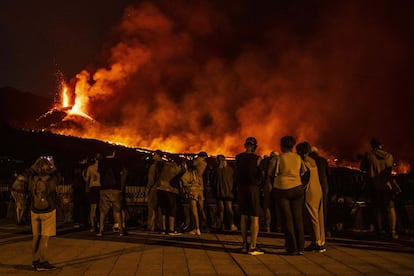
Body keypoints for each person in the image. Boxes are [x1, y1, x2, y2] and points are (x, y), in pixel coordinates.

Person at [270, 136, 307, 255]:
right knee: (298, 218)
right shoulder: (298, 157)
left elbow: (270, 172)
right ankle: (301, 247)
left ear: (282, 146)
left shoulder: (278, 158)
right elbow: (304, 172)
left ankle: (291, 248)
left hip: (282, 189)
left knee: (287, 219)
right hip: (297, 189)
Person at [27, 155, 61, 271]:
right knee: (44, 239)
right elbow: (57, 175)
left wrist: (37, 162)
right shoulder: (51, 179)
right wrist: (52, 165)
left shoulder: (32, 178)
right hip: (48, 210)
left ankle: (35, 261)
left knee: (35, 237)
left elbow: (30, 171)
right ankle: (43, 262)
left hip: (34, 210)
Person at [360, 138, 398, 239]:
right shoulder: (389, 156)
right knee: (390, 208)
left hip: (374, 186)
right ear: (381, 145)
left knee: (377, 209)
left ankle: (379, 231)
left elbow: (362, 168)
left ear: (373, 145)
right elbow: (389, 171)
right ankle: (392, 231)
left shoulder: (368, 155)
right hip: (387, 186)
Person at [235, 137, 264, 255]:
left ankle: (244, 244)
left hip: (241, 188)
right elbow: (261, 175)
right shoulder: (257, 159)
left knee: (243, 216)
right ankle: (253, 246)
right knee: (254, 217)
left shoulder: (238, 157)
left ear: (245, 145)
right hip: (253, 188)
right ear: (255, 147)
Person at [297, 142, 326, 253]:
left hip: (310, 190)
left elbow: (304, 176)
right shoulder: (312, 160)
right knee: (319, 216)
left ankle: (317, 243)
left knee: (312, 217)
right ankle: (320, 241)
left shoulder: (304, 161)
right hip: (317, 189)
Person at [96, 151, 125, 237]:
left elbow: (99, 174)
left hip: (104, 189)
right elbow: (122, 173)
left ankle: (101, 230)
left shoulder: (102, 162)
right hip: (115, 189)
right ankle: (121, 230)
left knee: (103, 211)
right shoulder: (118, 162)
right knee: (117, 210)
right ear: (114, 152)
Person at [181, 152, 209, 236]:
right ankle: (206, 226)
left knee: (194, 210)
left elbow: (184, 179)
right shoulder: (204, 165)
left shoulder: (194, 167)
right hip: (200, 188)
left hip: (193, 189)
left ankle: (196, 228)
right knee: (201, 209)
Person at [156, 158, 184, 235]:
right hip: (170, 190)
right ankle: (171, 230)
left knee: (163, 210)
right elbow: (182, 178)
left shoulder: (164, 166)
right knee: (172, 209)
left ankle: (164, 229)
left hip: (160, 189)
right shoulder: (176, 168)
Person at [309, 146, 331, 235]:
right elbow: (329, 173)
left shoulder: (309, 161)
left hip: (312, 186)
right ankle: (324, 229)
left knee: (311, 209)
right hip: (323, 186)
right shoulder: (323, 160)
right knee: (323, 208)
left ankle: (313, 230)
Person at [214, 154, 237, 232]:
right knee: (228, 209)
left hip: (221, 192)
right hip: (228, 192)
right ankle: (231, 224)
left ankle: (222, 224)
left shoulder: (218, 170)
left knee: (222, 209)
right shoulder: (230, 169)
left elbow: (214, 180)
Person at [145, 150, 164, 232]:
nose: (153, 156)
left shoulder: (154, 166)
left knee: (152, 208)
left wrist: (147, 189)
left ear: (157, 155)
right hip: (164, 189)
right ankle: (162, 226)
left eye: (154, 154)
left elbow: (151, 179)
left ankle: (151, 226)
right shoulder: (165, 165)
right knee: (161, 209)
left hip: (154, 189)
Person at [84, 153, 101, 232]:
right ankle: (99, 224)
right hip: (100, 187)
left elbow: (87, 180)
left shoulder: (90, 168)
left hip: (93, 188)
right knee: (100, 208)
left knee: (92, 208)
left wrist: (83, 176)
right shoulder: (102, 167)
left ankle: (93, 226)